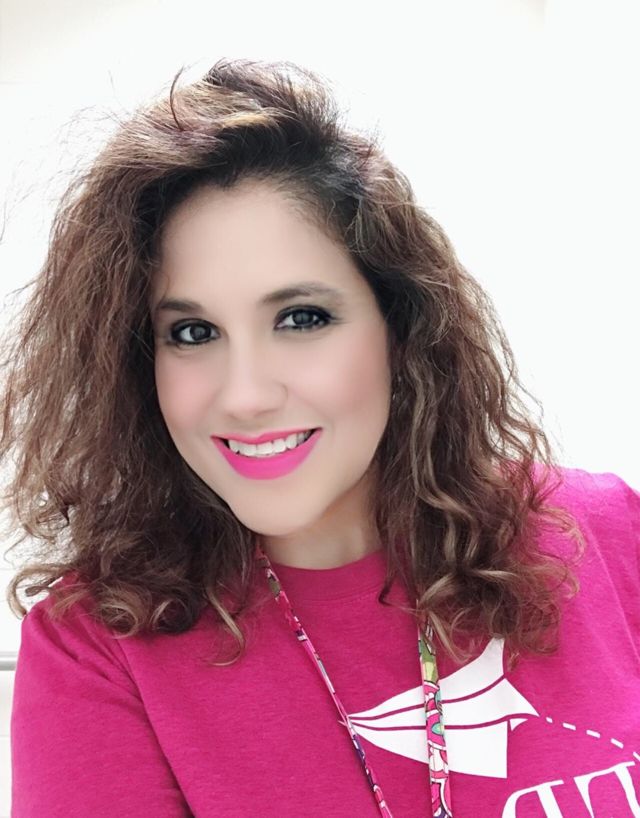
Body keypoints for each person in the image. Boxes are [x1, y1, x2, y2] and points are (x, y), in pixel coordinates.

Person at [2, 58, 639, 818]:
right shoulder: (100, 648)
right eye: (193, 332)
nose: (245, 395)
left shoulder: (603, 534)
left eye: (301, 318)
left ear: (401, 328)